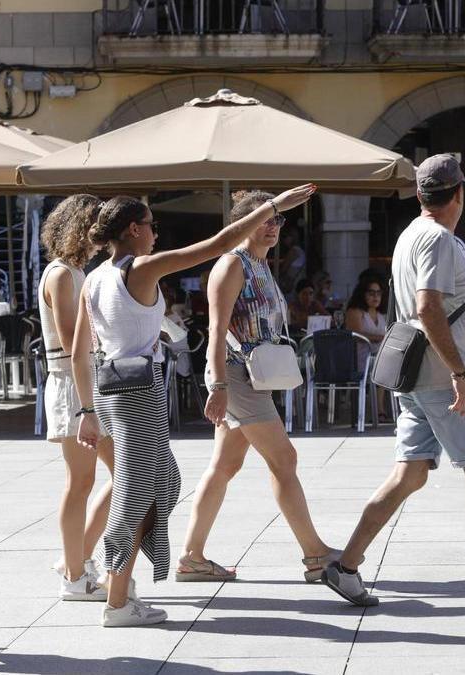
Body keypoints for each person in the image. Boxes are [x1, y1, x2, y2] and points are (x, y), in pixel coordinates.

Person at [71, 185, 317, 627]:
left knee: (161, 481)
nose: (155, 234)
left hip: (111, 390)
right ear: (133, 230)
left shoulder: (94, 278)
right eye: (150, 226)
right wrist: (274, 206)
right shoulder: (141, 269)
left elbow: (80, 352)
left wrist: (87, 411)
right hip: (137, 393)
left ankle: (137, 576)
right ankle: (118, 599)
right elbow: (219, 245)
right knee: (137, 493)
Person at [320, 155, 465, 608]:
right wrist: (461, 374)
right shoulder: (441, 241)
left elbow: (421, 305)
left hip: (415, 376)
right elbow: (427, 309)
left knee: (408, 475)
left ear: (423, 195)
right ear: (459, 194)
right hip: (446, 378)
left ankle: (345, 566)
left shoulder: (411, 235)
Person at [178, 189, 336, 584]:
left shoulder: (261, 264)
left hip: (251, 378)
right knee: (284, 459)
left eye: (277, 220)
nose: (273, 227)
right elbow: (215, 331)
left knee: (225, 466)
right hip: (236, 376)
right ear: (243, 224)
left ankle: (191, 558)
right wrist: (216, 384)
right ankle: (315, 555)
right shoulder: (231, 265)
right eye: (264, 219)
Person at [37, 194, 116, 601]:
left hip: (82, 382)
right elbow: (73, 342)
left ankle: (77, 558)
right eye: (96, 227)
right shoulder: (63, 275)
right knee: (84, 481)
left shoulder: (72, 272)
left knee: (115, 477)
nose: (101, 236)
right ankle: (74, 572)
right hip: (74, 384)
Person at [277, 226, 306, 295]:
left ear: (292, 237)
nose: (284, 240)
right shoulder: (299, 250)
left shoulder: (293, 251)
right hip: (296, 282)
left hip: (291, 283)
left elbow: (284, 269)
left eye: (285, 237)